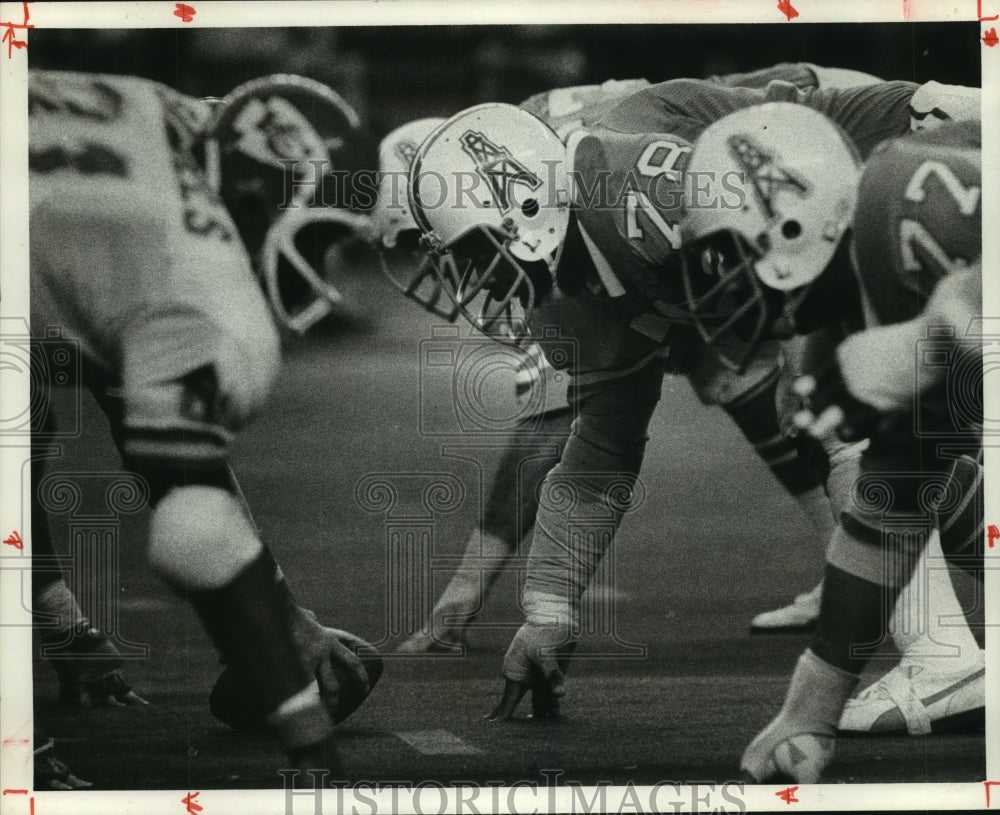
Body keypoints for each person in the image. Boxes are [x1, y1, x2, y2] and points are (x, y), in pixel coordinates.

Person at [404, 74, 934, 724]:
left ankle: (943, 650)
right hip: (809, 216)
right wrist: (548, 609)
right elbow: (603, 441)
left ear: (524, 204)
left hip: (883, 144)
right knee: (821, 400)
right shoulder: (571, 276)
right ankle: (917, 618)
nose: (472, 281)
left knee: (870, 405)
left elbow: (809, 243)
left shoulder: (635, 192)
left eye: (473, 251)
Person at [29, 69, 381, 780]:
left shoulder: (152, 104)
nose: (312, 267)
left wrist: (60, 619)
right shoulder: (187, 262)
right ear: (255, 199)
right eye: (313, 239)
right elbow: (193, 518)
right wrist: (303, 727)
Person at [676, 103, 982, 781]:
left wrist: (932, 336)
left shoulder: (912, 202)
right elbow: (889, 512)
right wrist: (810, 708)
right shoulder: (859, 295)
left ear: (790, 224)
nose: (721, 281)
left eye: (729, 253)